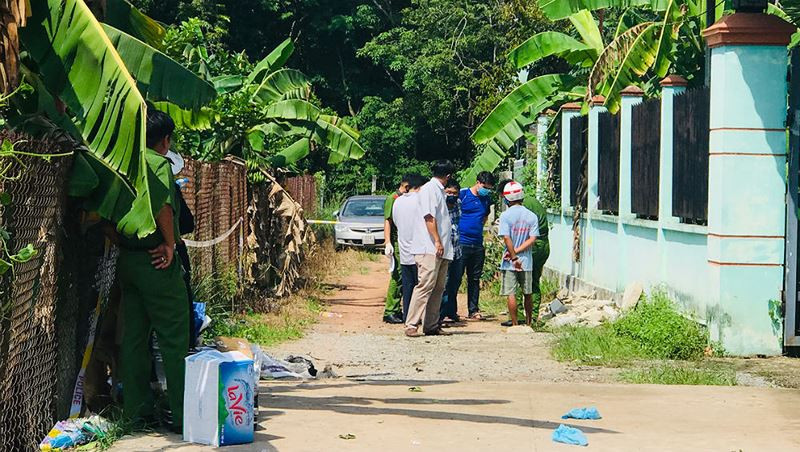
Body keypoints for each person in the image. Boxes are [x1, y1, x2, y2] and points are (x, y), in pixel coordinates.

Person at [115, 109, 189, 431]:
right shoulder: (158, 164)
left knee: (133, 338)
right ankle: (185, 414)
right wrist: (170, 245)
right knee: (174, 338)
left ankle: (136, 413)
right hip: (156, 260)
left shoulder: (117, 162)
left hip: (127, 259)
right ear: (165, 141)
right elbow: (164, 208)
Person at [405, 160, 456, 337]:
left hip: (441, 249)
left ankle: (431, 324)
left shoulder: (439, 191)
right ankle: (411, 324)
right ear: (448, 176)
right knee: (425, 285)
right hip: (429, 247)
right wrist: (437, 241)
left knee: (438, 288)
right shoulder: (429, 190)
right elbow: (429, 217)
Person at [497, 179, 551, 327]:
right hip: (541, 245)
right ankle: (530, 319)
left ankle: (521, 318)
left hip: (527, 248)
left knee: (520, 287)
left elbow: (511, 236)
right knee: (531, 284)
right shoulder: (532, 202)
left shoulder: (516, 211)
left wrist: (513, 253)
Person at [456, 171, 496, 320]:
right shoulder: (463, 194)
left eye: (489, 188)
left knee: (474, 278)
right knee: (456, 277)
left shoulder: (486, 199)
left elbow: (485, 217)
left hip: (477, 244)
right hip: (462, 243)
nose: (486, 190)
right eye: (485, 186)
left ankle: (473, 310)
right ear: (478, 182)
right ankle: (449, 310)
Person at [391, 174, 427, 321]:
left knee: (408, 287)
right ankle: (420, 317)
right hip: (420, 252)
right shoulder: (420, 200)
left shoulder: (397, 202)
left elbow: (396, 223)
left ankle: (407, 316)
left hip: (405, 252)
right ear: (419, 187)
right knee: (422, 288)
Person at [383, 174, 411, 324]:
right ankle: (390, 310)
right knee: (397, 275)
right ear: (406, 186)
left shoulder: (405, 199)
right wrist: (387, 242)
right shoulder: (393, 198)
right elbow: (388, 221)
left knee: (403, 276)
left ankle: (396, 309)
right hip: (396, 242)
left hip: (405, 241)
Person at [439, 179, 463, 323]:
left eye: (454, 193)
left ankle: (451, 311)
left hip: (457, 249)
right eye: (449, 192)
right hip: (444, 250)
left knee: (455, 282)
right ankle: (439, 314)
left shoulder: (458, 204)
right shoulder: (440, 206)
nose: (452, 195)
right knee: (444, 284)